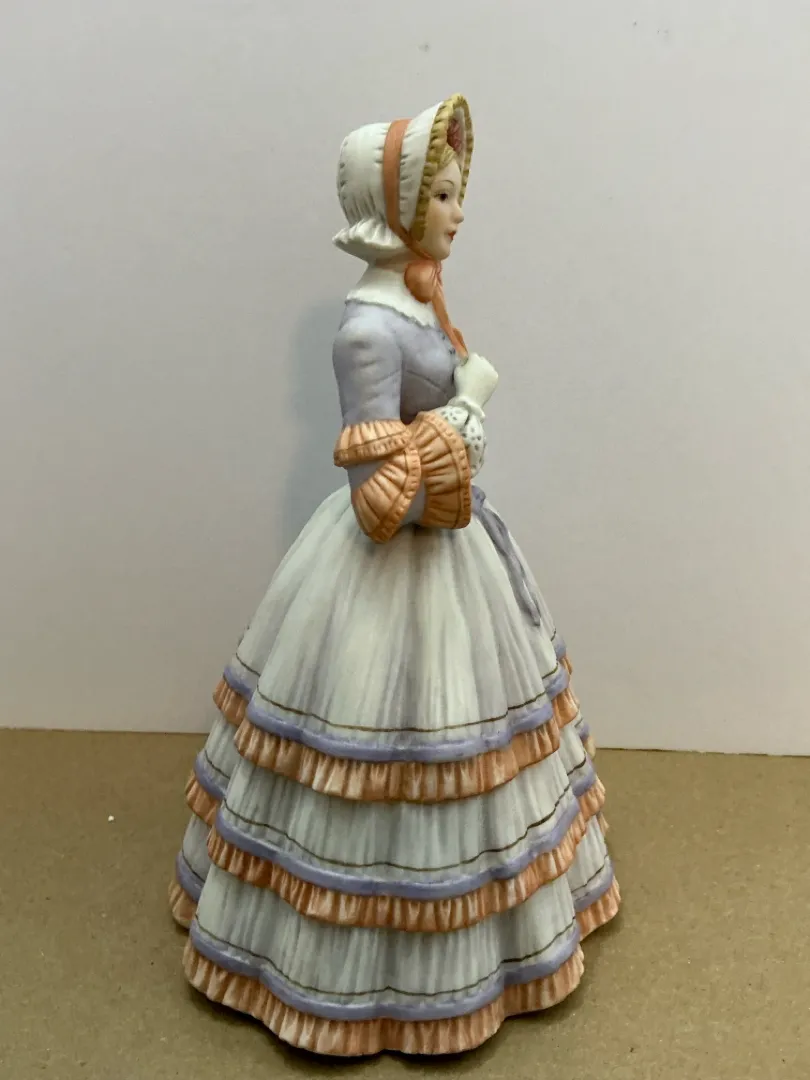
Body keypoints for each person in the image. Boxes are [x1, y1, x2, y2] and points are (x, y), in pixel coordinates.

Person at [169, 92, 620, 1057]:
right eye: (443, 195)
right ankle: (358, 980)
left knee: (468, 758)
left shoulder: (420, 296)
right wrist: (467, 409)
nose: (459, 211)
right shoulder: (368, 333)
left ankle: (480, 948)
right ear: (398, 205)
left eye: (458, 193)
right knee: (378, 765)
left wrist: (457, 412)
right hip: (391, 565)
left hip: (454, 558)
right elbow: (381, 505)